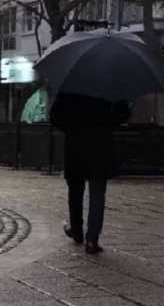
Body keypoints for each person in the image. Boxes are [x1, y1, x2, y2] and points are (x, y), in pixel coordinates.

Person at [50, 93, 130, 254]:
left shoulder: (71, 87)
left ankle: (77, 230)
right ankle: (92, 238)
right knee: (97, 191)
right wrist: (107, 124)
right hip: (100, 144)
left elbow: (55, 116)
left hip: (76, 144)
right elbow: (124, 114)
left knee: (75, 189)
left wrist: (72, 128)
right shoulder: (109, 87)